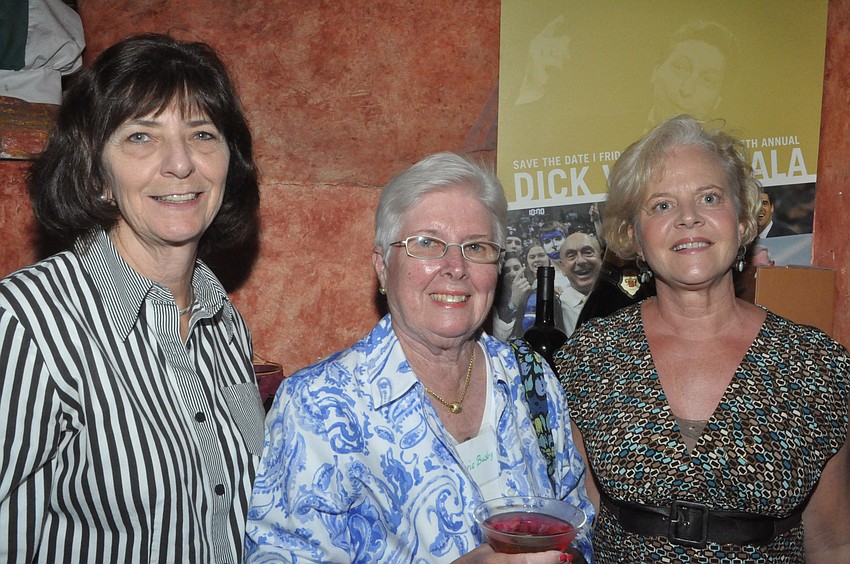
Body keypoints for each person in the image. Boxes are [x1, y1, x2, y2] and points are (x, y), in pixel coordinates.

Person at [245, 152, 594, 563]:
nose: (455, 267)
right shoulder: (318, 406)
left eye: (476, 247)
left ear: (497, 269)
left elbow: (579, 523)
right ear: (381, 267)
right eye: (426, 243)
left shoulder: (532, 379)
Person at [0, 34, 264, 563]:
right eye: (141, 137)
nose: (181, 164)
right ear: (97, 173)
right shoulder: (28, 323)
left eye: (203, 134)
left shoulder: (225, 323)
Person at [554, 115, 849, 562]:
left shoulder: (817, 365)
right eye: (662, 205)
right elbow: (583, 522)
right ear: (632, 233)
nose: (689, 218)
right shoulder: (590, 356)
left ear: (743, 218)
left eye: (709, 197)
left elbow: (832, 541)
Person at [556, 232, 601, 336]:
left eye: (587, 252)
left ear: (601, 258)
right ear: (562, 267)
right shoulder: (556, 308)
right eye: (571, 256)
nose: (581, 261)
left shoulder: (619, 300)